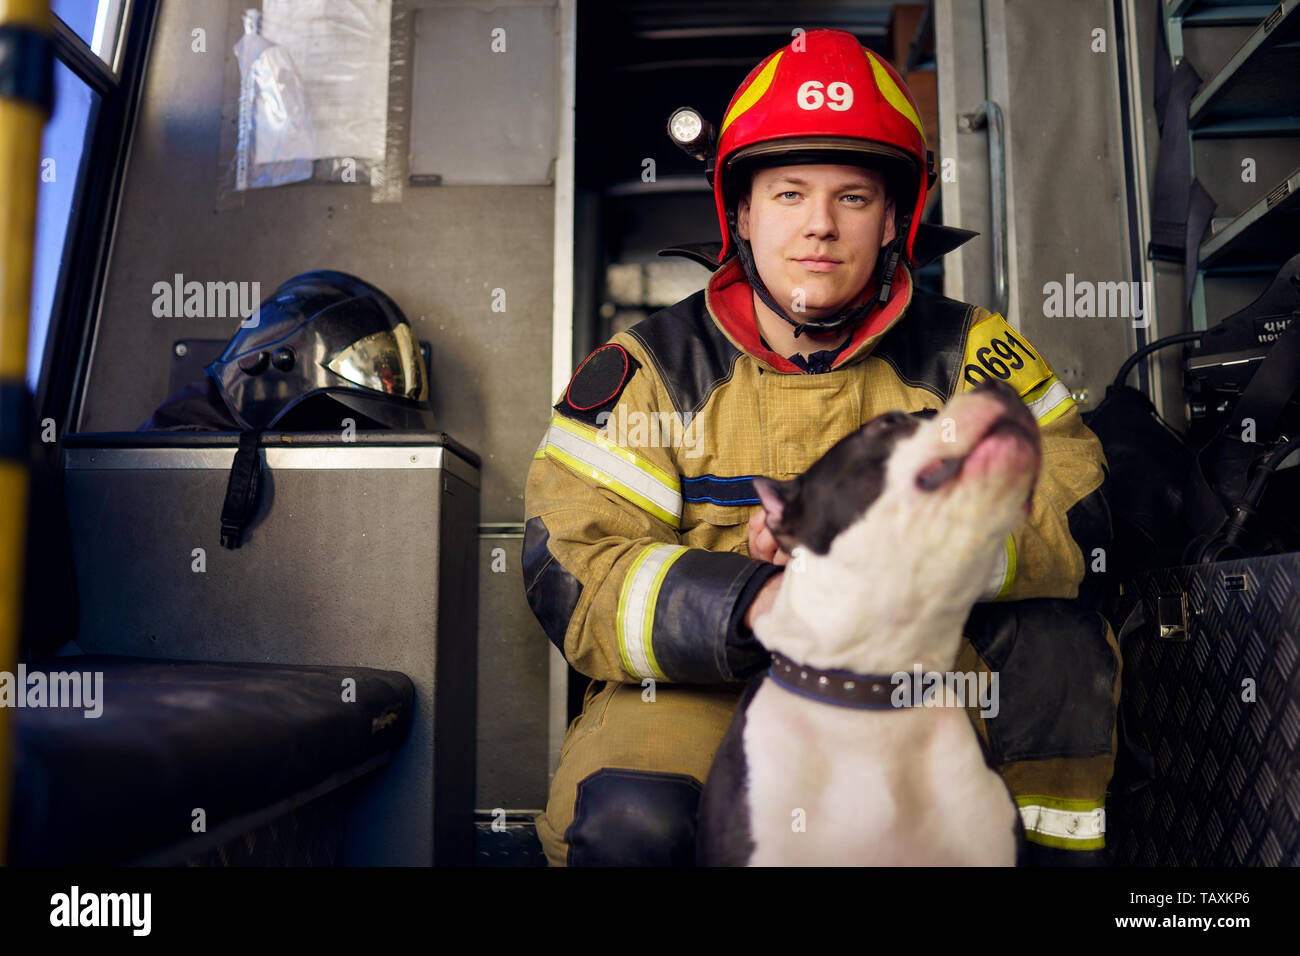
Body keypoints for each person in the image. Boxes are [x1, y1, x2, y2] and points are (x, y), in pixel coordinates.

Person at [522, 28, 1118, 866]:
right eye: (790, 193)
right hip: (704, 682)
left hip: (922, 670)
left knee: (1058, 660)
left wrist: (934, 555)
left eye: (853, 197)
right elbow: (574, 569)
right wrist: (756, 604)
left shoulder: (969, 351)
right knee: (633, 821)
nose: (819, 227)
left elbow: (1079, 505)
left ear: (894, 219)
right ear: (742, 212)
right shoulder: (650, 371)